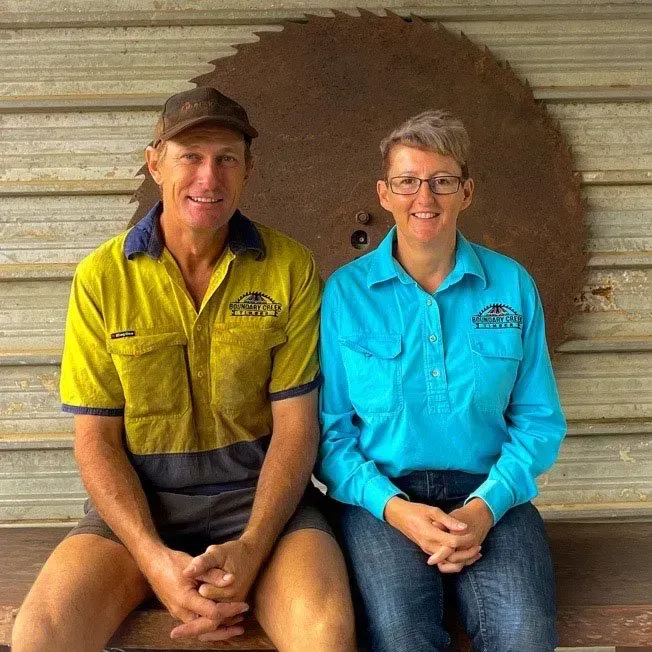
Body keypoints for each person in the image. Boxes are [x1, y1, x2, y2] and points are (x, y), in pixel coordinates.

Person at [12, 86, 355, 652]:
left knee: (326, 634)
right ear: (155, 162)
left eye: (226, 158)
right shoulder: (102, 278)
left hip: (260, 504)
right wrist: (153, 559)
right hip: (139, 511)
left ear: (249, 170)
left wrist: (251, 547)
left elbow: (297, 429)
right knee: (41, 635)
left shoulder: (289, 267)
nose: (208, 177)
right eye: (190, 157)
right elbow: (94, 439)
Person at [316, 110, 566, 652]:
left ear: (466, 192)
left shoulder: (511, 285)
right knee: (400, 637)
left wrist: (485, 507)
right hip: (384, 502)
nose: (423, 197)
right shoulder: (346, 294)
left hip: (492, 498)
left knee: (524, 635)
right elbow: (330, 434)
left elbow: (539, 421)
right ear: (385, 193)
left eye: (442, 181)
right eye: (408, 181)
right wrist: (396, 510)